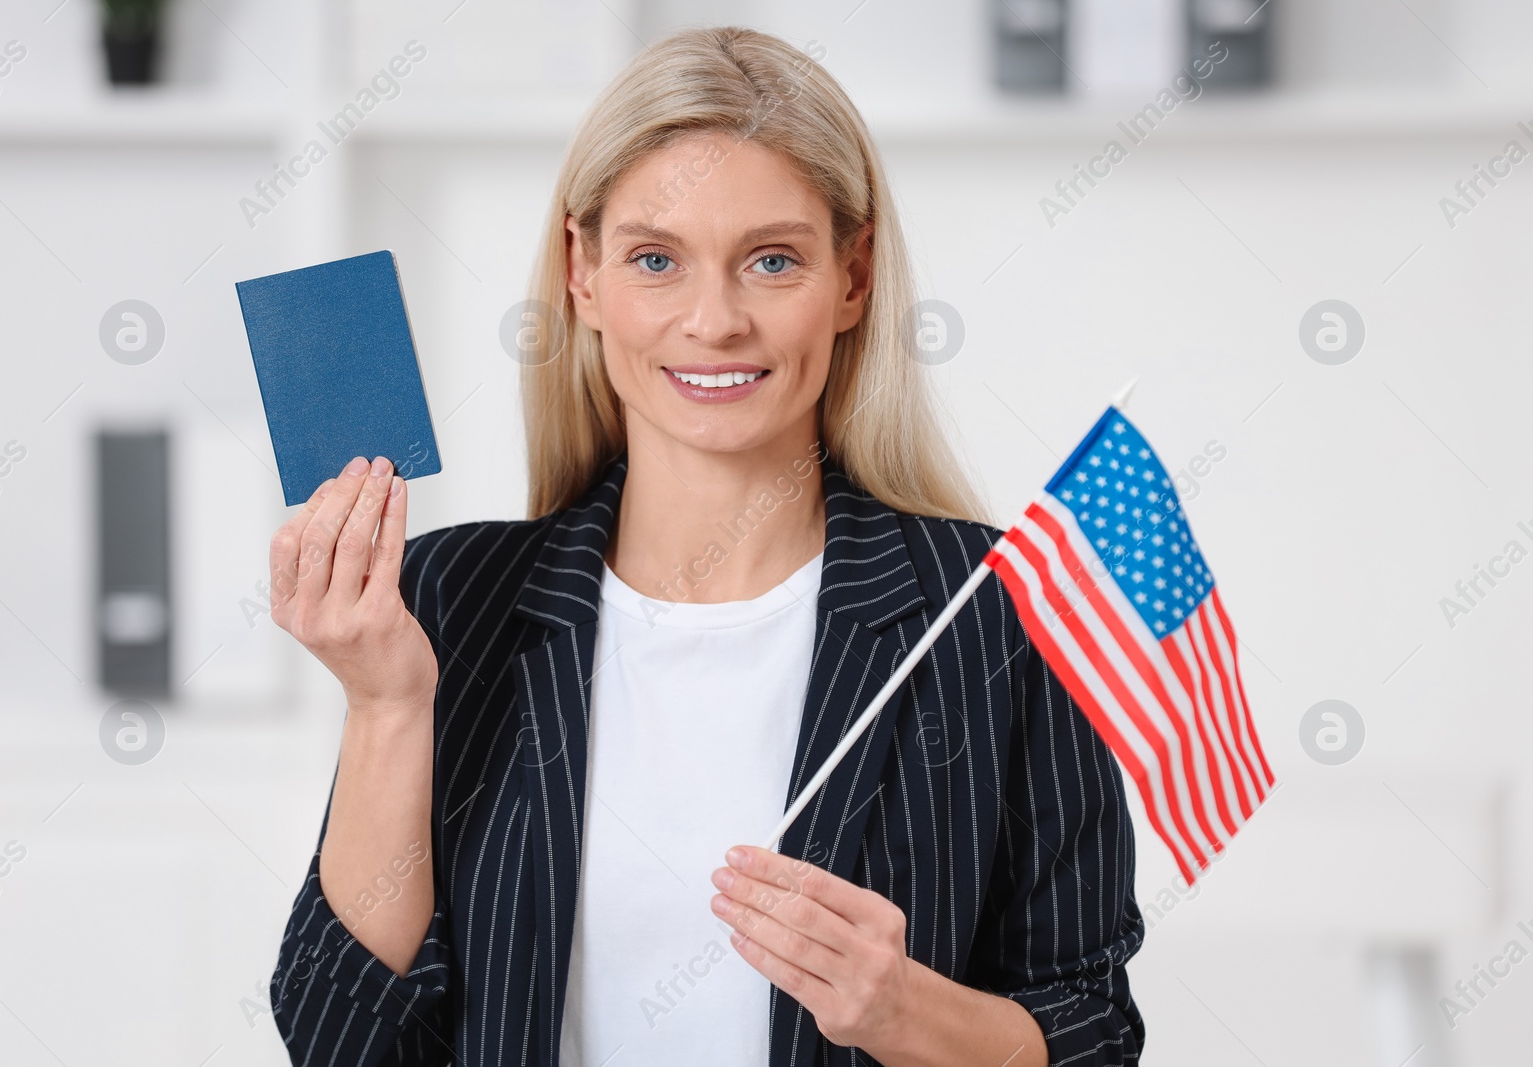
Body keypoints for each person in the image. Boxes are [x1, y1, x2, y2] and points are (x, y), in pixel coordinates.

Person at [266, 25, 1143, 1067]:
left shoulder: (998, 608)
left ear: (853, 275)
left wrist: (904, 1012)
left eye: (772, 260)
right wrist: (386, 705)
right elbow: (338, 1043)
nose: (714, 319)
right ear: (580, 274)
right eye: (654, 258)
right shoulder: (452, 595)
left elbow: (1092, 1034)